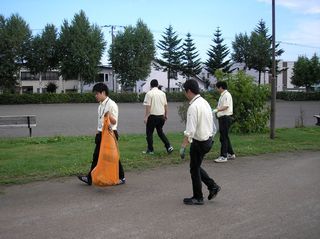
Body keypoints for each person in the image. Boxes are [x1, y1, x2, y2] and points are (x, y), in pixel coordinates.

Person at [180, 79, 221, 205]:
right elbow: (212, 125)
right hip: (208, 140)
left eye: (185, 91)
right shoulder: (204, 102)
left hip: (199, 142)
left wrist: (183, 146)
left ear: (189, 91)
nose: (185, 94)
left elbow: (190, 130)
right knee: (196, 166)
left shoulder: (193, 107)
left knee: (194, 168)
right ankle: (212, 186)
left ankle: (198, 197)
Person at [78, 83, 125, 185]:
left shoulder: (112, 104)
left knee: (113, 156)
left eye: (97, 94)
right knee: (96, 156)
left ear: (103, 92)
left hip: (110, 134)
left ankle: (121, 177)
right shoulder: (100, 106)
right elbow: (100, 121)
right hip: (101, 134)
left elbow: (114, 122)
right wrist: (97, 132)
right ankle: (90, 178)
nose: (95, 96)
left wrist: (108, 115)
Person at [143, 79, 173, 154]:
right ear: (157, 85)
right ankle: (168, 146)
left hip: (152, 117)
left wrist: (146, 117)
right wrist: (166, 115)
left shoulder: (149, 94)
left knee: (149, 133)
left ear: (150, 85)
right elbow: (165, 105)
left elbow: (148, 106)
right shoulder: (163, 94)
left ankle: (150, 150)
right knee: (160, 132)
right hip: (161, 117)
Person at [213, 81, 236, 163]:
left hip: (225, 117)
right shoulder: (222, 95)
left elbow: (226, 106)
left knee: (223, 137)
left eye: (217, 87)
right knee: (225, 136)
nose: (216, 89)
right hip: (222, 118)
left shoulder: (226, 94)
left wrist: (216, 110)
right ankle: (231, 153)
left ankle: (223, 156)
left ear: (221, 87)